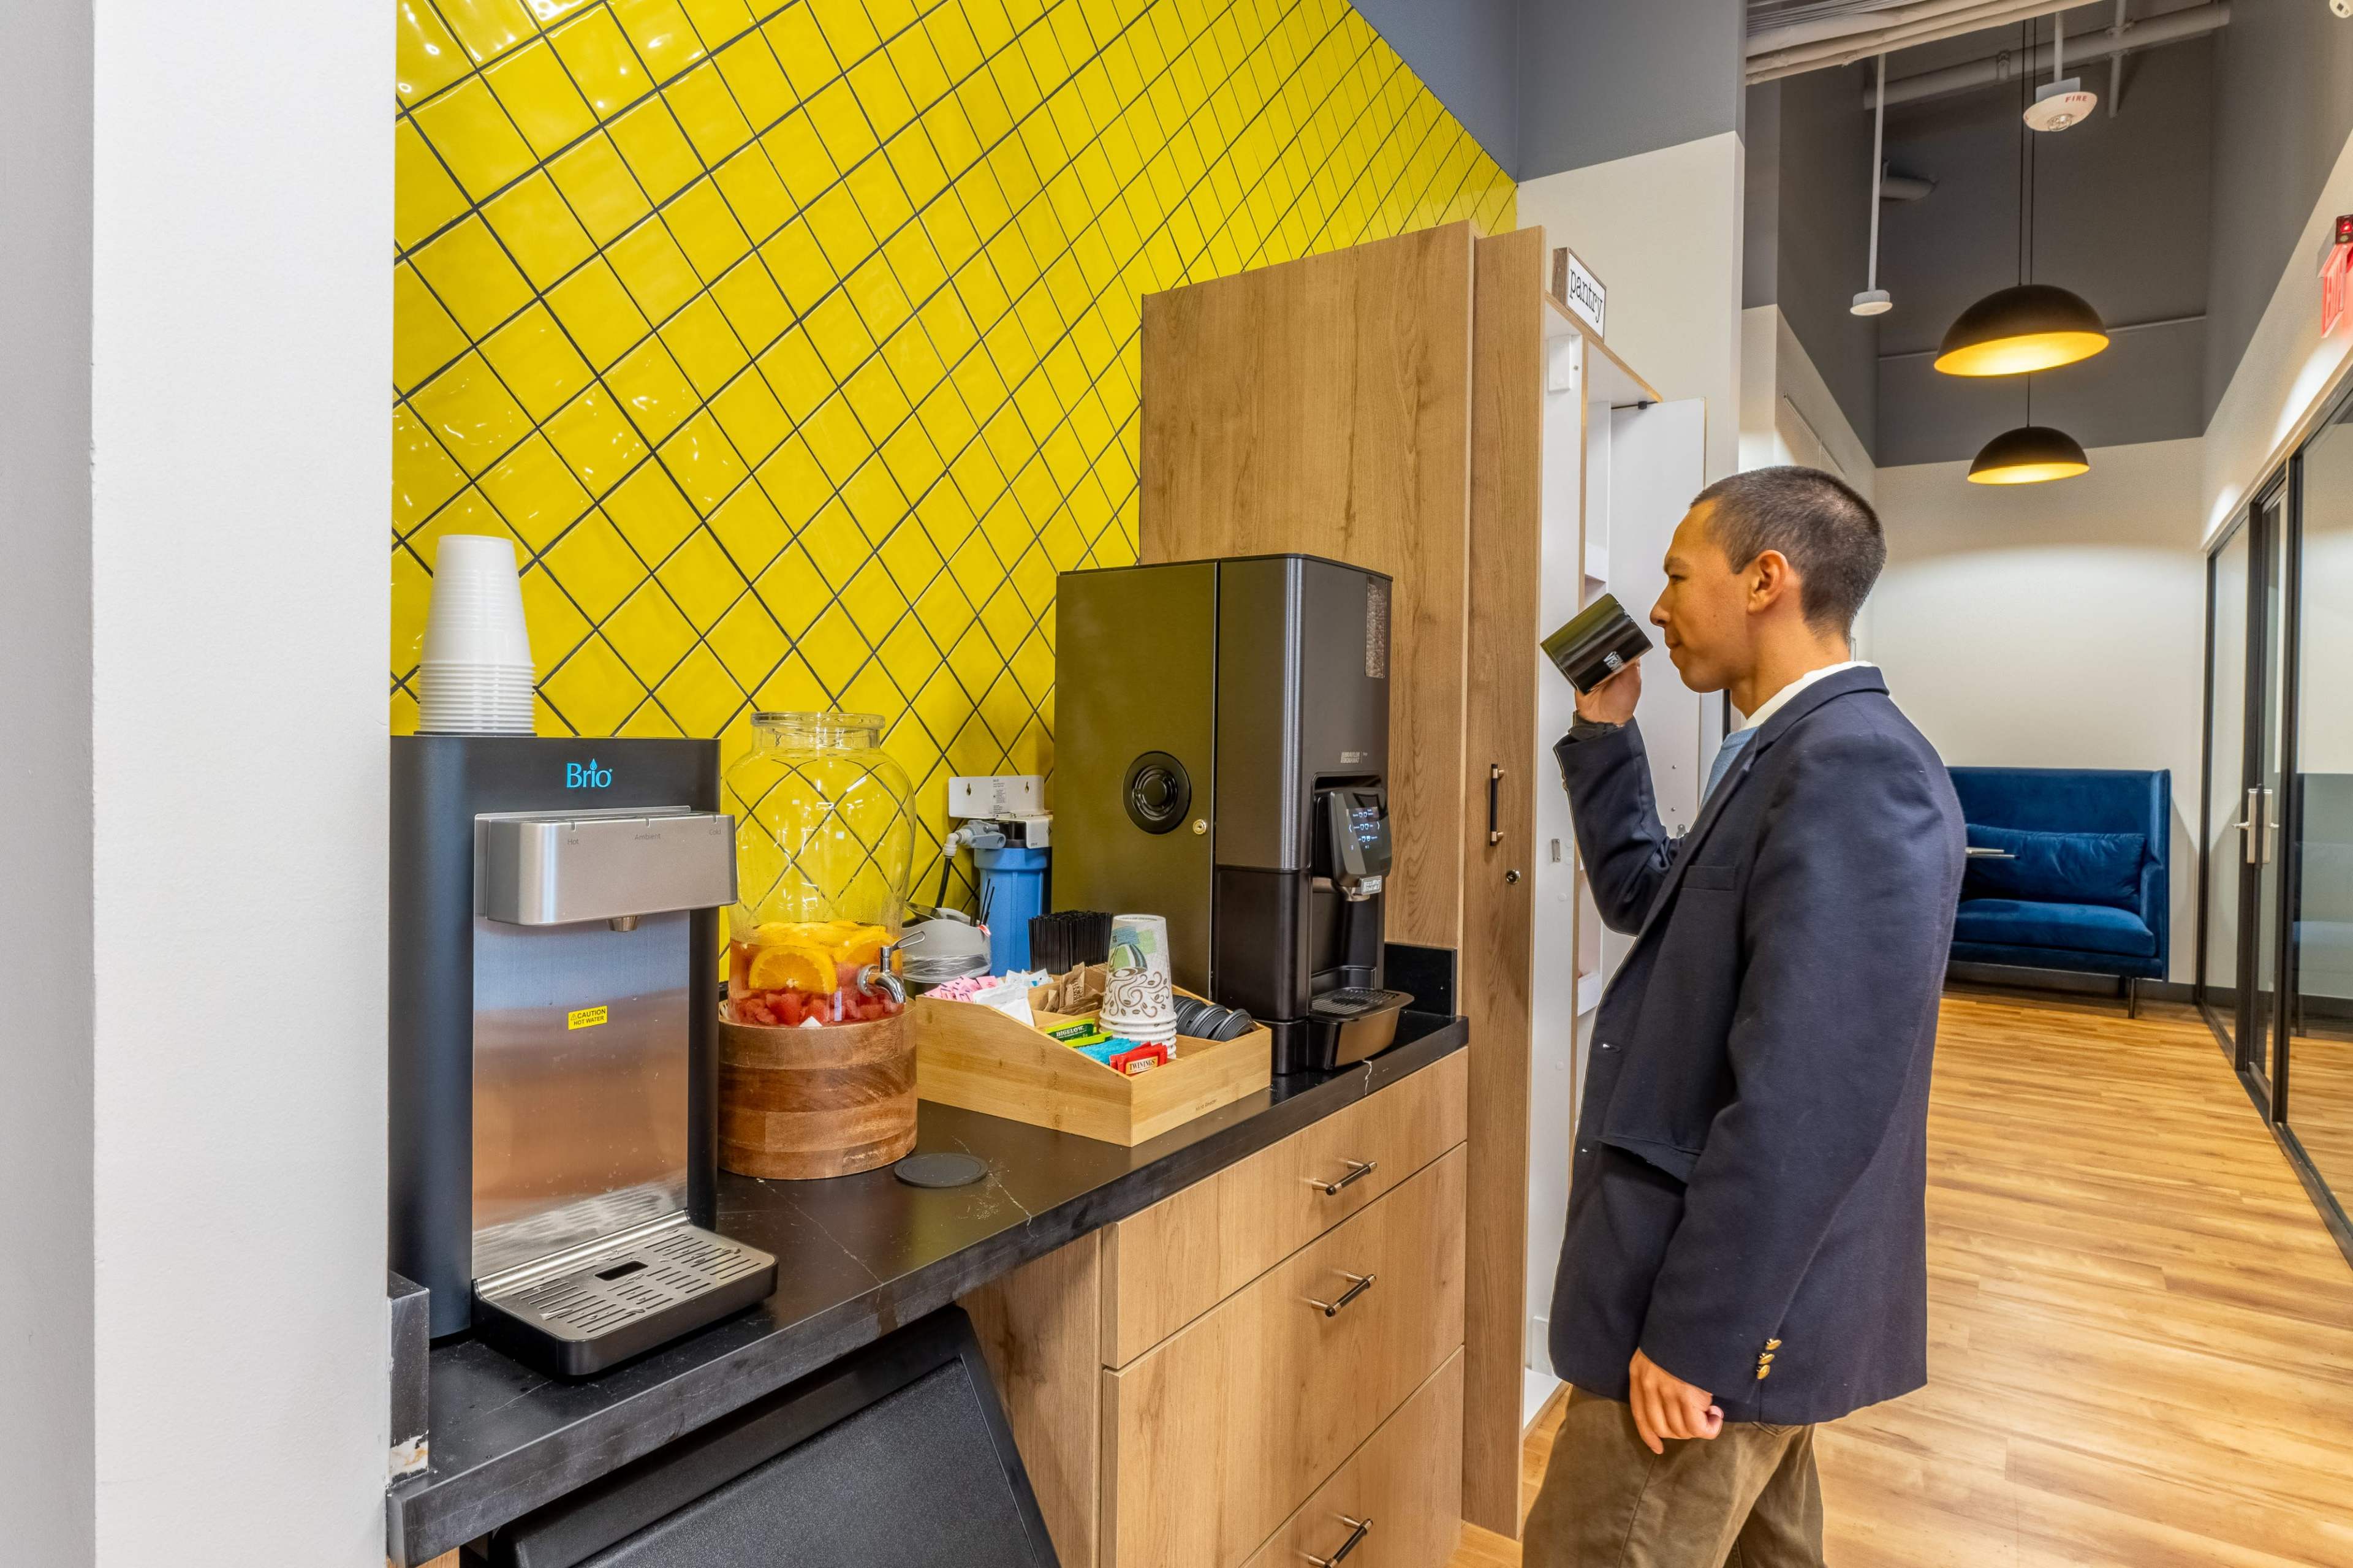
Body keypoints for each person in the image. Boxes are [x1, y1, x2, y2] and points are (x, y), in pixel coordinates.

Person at [1521, 467, 1964, 1567]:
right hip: (1752, 1307)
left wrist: (1695, 1338)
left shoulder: (1856, 767)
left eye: (1678, 576)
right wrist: (1603, 730)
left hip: (1714, 1315)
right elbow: (1650, 900)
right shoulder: (1776, 749)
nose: (1659, 608)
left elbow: (1806, 1102)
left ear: (1767, 578)